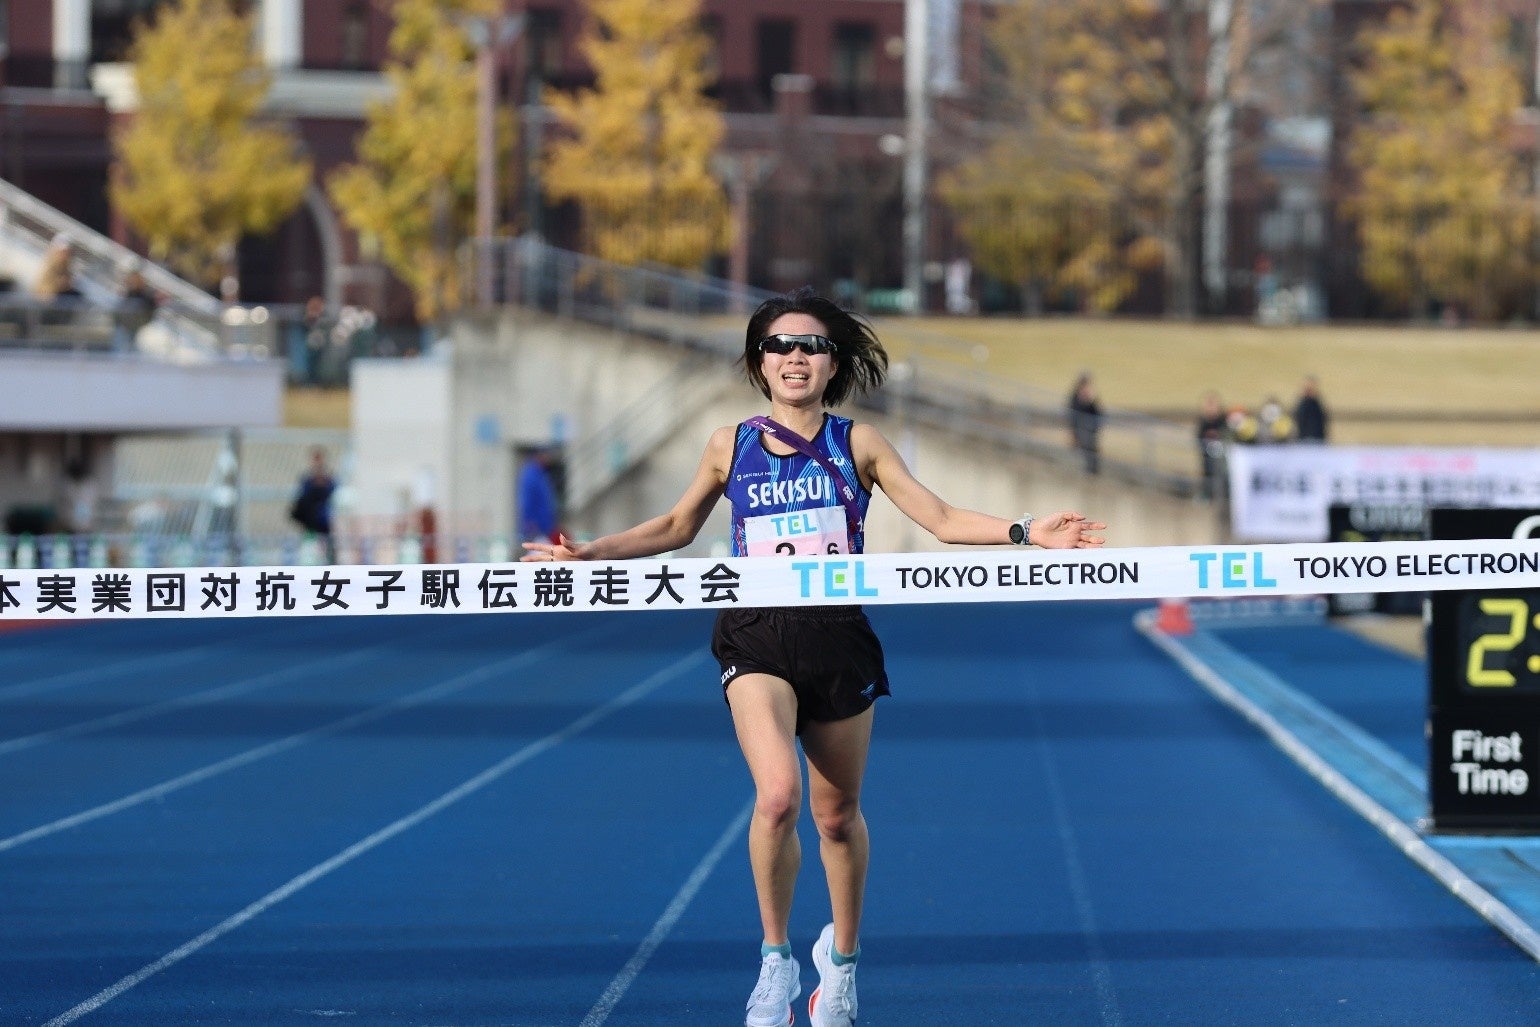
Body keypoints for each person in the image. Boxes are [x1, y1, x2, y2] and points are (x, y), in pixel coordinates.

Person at [523, 287, 1106, 1027]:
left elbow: (944, 518)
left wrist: (1029, 531)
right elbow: (676, 523)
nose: (795, 358)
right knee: (777, 797)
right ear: (758, 362)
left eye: (812, 346)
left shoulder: (859, 444)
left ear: (833, 365)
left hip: (837, 639)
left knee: (836, 817)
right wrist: (593, 550)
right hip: (755, 633)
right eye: (779, 346)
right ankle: (775, 963)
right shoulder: (728, 443)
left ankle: (845, 961)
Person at [290, 447, 337, 563]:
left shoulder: (330, 481)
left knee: (327, 555)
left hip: (326, 526)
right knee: (310, 556)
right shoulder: (307, 481)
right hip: (310, 526)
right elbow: (302, 502)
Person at [516, 447, 561, 544]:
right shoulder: (531, 474)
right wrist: (531, 526)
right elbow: (527, 502)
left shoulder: (541, 473)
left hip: (545, 528)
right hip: (536, 530)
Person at [1067, 371, 1102, 475]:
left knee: (1092, 456)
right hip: (1081, 431)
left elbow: (1097, 412)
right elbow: (1074, 413)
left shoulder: (1090, 397)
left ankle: (1091, 474)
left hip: (1090, 431)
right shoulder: (1075, 397)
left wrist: (1091, 401)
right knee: (1081, 455)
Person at [1195, 390, 1227, 501]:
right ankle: (1207, 495)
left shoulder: (1223, 421)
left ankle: (1223, 497)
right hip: (1207, 455)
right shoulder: (1204, 422)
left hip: (1222, 455)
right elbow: (1198, 437)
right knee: (1208, 474)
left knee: (1223, 475)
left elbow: (1226, 434)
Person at [1293, 374, 1329, 443]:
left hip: (1317, 439)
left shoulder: (1317, 403)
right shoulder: (1301, 403)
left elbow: (1323, 420)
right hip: (1303, 439)